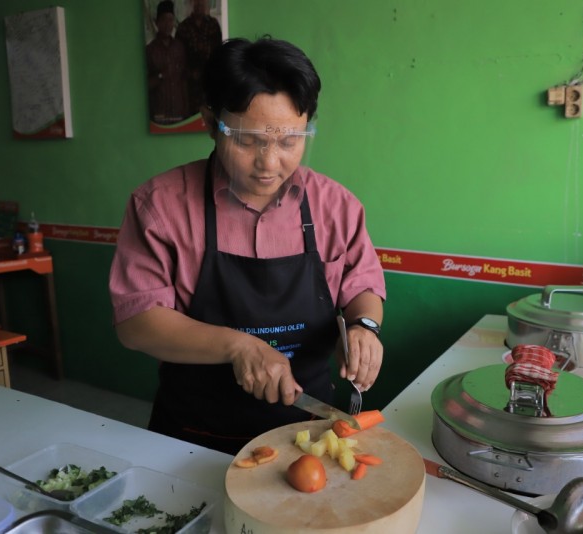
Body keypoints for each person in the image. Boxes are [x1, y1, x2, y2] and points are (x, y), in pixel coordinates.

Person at [109, 37, 386, 455]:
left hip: (308, 436)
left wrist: (364, 327)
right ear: (210, 122)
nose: (269, 163)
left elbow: (361, 284)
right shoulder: (160, 206)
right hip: (194, 434)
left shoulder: (336, 206)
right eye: (248, 141)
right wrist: (238, 345)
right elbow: (136, 322)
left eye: (289, 141)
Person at [175, 0, 222, 117]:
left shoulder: (213, 25)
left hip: (210, 80)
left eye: (202, 2)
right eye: (196, 2)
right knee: (191, 117)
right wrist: (190, 73)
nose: (199, 5)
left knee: (211, 114)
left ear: (206, 4)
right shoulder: (183, 27)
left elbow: (219, 53)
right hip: (190, 83)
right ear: (192, 4)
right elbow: (177, 57)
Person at [145, 1, 189, 124]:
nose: (167, 24)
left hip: (179, 112)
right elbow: (144, 85)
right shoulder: (150, 50)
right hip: (159, 114)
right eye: (164, 20)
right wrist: (160, 75)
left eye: (170, 20)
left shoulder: (179, 47)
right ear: (157, 22)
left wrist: (186, 108)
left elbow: (184, 80)